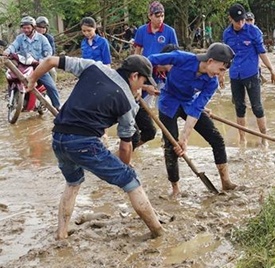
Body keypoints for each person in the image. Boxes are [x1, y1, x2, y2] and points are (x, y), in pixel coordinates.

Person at [25, 54, 164, 240]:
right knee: (132, 181)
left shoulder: (93, 66)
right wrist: (125, 166)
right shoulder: (128, 103)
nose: (142, 86)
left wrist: (32, 80)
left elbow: (51, 61)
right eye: (143, 81)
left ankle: (62, 233)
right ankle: (158, 232)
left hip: (58, 138)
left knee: (73, 183)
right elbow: (125, 146)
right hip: (85, 143)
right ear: (134, 76)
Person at [147, 43, 237, 197]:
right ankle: (175, 188)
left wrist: (185, 138)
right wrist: (143, 85)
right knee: (171, 146)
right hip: (168, 102)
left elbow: (196, 109)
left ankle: (225, 181)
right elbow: (149, 60)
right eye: (221, 69)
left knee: (216, 139)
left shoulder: (211, 82)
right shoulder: (182, 58)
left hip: (189, 103)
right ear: (210, 62)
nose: (220, 74)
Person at [222, 4, 275, 147]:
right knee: (239, 107)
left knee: (257, 107)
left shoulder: (253, 32)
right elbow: (225, 56)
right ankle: (242, 138)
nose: (240, 23)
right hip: (235, 75)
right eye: (237, 21)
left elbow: (262, 52)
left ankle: (264, 137)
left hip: (251, 74)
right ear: (230, 19)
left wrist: (272, 70)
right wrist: (221, 74)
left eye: (242, 20)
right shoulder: (227, 34)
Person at [133, 1, 179, 149]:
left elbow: (175, 54)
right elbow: (137, 52)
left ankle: (167, 137)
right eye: (157, 16)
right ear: (150, 16)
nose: (160, 19)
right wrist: (135, 70)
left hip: (164, 74)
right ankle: (137, 133)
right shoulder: (141, 31)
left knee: (165, 106)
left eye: (162, 16)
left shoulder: (169, 31)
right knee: (139, 103)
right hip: (146, 73)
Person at [2, 16, 61, 110]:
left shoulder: (42, 38)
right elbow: (13, 46)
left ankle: (58, 107)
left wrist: (43, 59)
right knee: (12, 78)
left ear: (33, 27)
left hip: (39, 67)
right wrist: (7, 51)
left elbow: (48, 51)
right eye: (24, 28)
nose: (26, 30)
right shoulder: (20, 38)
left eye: (28, 28)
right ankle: (12, 101)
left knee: (51, 86)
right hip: (23, 66)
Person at [35, 16, 57, 82]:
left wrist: (45, 57)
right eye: (39, 27)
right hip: (31, 60)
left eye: (44, 27)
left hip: (45, 61)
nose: (41, 29)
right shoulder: (31, 37)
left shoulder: (49, 38)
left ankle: (52, 90)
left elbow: (52, 51)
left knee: (52, 72)